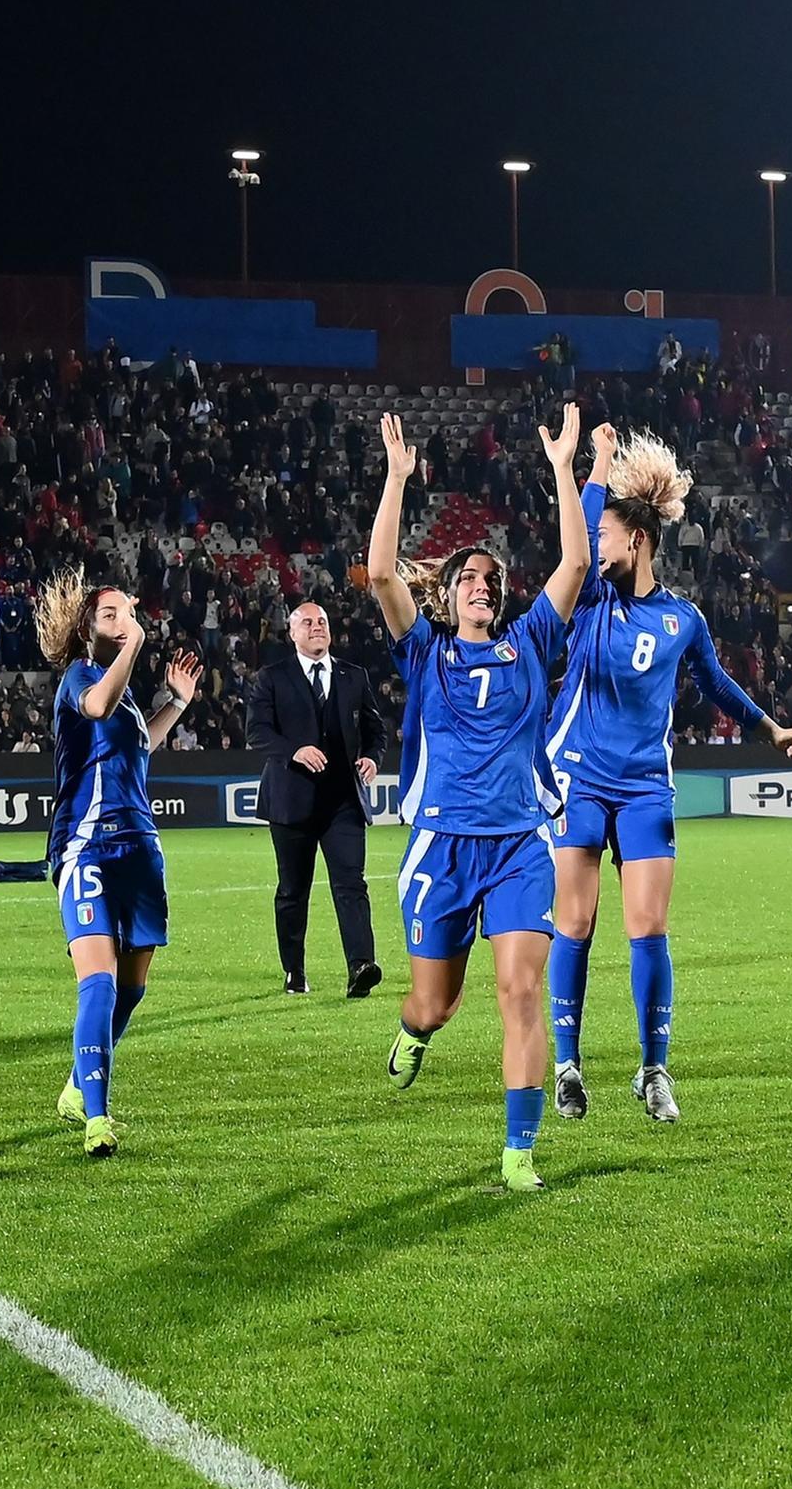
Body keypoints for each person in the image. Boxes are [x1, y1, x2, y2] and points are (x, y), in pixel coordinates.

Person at [544, 427, 792, 1124]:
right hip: (578, 779)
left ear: (638, 540)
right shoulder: (586, 599)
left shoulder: (682, 619)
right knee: (574, 923)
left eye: (609, 536)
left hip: (645, 785)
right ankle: (568, 1064)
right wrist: (598, 466)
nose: (598, 547)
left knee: (648, 927)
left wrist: (767, 727)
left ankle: (653, 1069)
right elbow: (575, 543)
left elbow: (719, 681)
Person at [364, 403, 592, 1192]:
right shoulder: (423, 650)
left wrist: (563, 469)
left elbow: (574, 566)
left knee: (521, 991)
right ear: (451, 596)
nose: (481, 587)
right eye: (468, 579)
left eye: (491, 580)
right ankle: (413, 1031)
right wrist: (397, 480)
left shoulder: (531, 640)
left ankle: (519, 1152)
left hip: (522, 847)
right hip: (440, 847)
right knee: (437, 1003)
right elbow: (382, 572)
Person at [36, 574, 203, 1156]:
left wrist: (175, 704)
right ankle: (98, 1120)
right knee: (99, 984)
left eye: (124, 612)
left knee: (132, 988)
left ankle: (77, 1084)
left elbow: (139, 741)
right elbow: (98, 704)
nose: (120, 618)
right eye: (108, 614)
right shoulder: (79, 679)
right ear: (87, 629)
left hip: (139, 847)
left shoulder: (128, 696)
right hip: (88, 847)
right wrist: (133, 642)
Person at [246, 600, 383, 998]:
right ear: (292, 633)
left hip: (343, 802)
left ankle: (361, 965)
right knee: (293, 890)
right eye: (307, 622)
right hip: (291, 802)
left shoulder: (353, 675)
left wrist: (373, 757)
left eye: (321, 621)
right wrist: (294, 750)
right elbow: (257, 732)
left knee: (351, 884)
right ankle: (294, 970)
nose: (316, 626)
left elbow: (377, 730)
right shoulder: (272, 677)